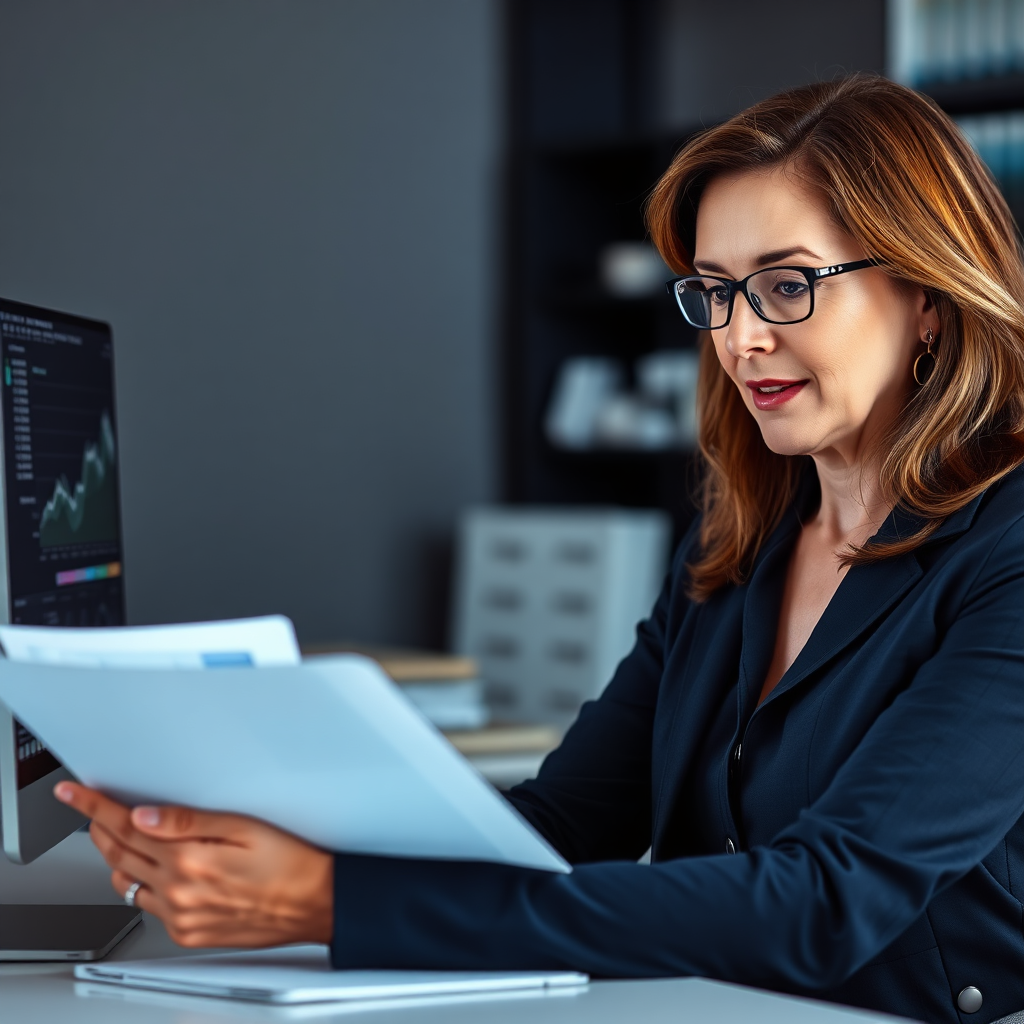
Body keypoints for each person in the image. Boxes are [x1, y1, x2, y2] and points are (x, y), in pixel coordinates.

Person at [56, 74, 1024, 1024]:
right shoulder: (740, 542)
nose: (740, 339)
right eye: (717, 293)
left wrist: (333, 903)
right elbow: (565, 823)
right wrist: (277, 846)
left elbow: (828, 900)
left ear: (927, 294)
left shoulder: (1007, 554)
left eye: (784, 285)